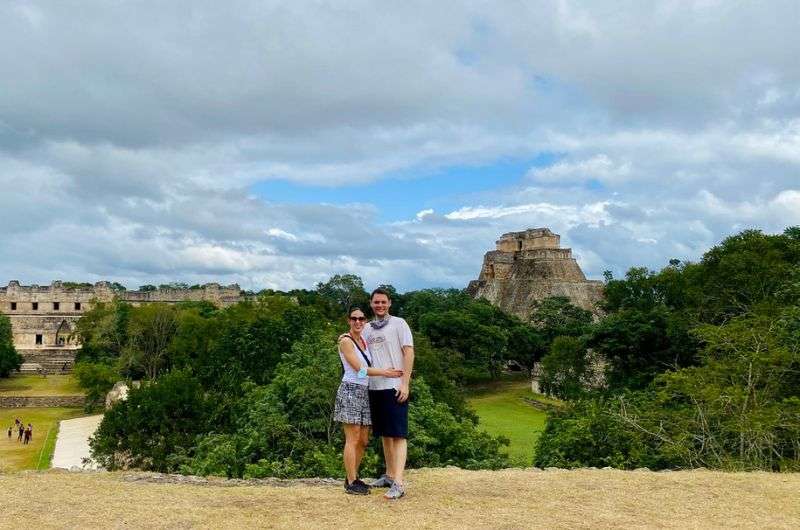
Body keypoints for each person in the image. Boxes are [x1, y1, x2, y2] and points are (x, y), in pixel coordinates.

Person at [334, 306, 403, 495]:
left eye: (361, 319)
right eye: (354, 318)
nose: (358, 322)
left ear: (365, 321)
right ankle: (350, 481)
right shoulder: (346, 341)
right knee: (353, 437)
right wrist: (385, 372)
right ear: (348, 320)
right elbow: (359, 369)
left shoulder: (363, 339)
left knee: (363, 439)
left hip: (365, 391)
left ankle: (354, 476)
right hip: (350, 389)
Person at [362, 288, 415, 500]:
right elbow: (356, 347)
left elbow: (409, 352)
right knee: (385, 433)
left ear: (390, 303)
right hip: (375, 387)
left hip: (394, 386)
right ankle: (389, 475)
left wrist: (405, 383)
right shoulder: (367, 328)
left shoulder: (399, 324)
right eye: (376, 302)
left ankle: (399, 483)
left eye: (383, 302)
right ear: (371, 303)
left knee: (398, 433)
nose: (380, 305)